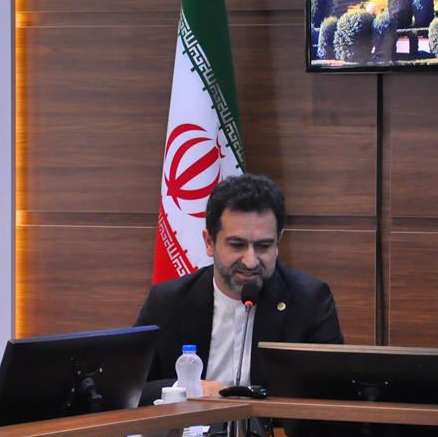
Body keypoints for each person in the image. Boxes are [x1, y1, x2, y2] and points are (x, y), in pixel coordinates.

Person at [134, 174, 343, 405]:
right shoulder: (168, 301)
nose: (250, 261)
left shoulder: (310, 301)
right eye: (237, 245)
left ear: (278, 243)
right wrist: (184, 388)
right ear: (209, 242)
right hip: (191, 428)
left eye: (263, 246)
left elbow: (334, 394)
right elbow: (129, 389)